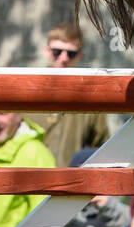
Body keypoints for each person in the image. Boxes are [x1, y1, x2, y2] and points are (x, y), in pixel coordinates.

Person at [38, 23, 109, 167]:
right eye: (57, 51)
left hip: (71, 182)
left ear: (80, 56)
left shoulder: (90, 100)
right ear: (46, 51)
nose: (64, 58)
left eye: (71, 53)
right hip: (29, 183)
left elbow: (103, 147)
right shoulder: (25, 91)